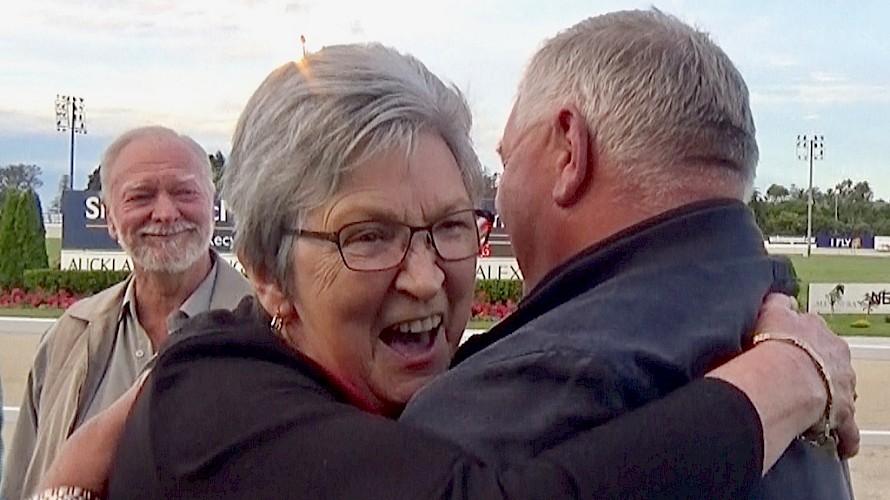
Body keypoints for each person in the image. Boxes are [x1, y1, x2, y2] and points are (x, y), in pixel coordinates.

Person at [33, 43, 855, 500]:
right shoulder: (217, 402)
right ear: (267, 273)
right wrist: (789, 375)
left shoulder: (370, 373)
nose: (426, 278)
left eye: (452, 227)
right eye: (369, 236)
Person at [400, 9, 852, 498]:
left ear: (569, 151)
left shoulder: (497, 404)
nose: (501, 195)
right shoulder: (799, 346)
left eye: (507, 161)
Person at [1, 126, 252, 500]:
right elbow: (23, 486)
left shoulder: (275, 329)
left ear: (213, 205)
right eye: (141, 196)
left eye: (185, 192)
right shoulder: (69, 337)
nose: (165, 213)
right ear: (109, 218)